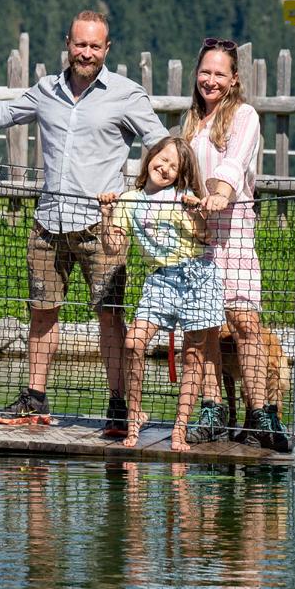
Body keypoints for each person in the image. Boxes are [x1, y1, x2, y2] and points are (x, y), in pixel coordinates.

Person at [0, 11, 168, 432]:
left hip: (102, 227)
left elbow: (163, 147)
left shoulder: (127, 95)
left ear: (107, 49)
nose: (86, 52)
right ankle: (34, 400)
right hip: (48, 225)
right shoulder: (45, 92)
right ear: (67, 45)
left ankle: (119, 405)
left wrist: (135, 199)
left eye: (94, 46)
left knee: (110, 316)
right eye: (79, 44)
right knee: (41, 312)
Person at [184, 37, 291, 451]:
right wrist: (189, 201)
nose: (210, 80)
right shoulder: (191, 122)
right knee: (205, 325)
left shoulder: (244, 116)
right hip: (199, 237)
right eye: (205, 72)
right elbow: (183, 171)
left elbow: (235, 162)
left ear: (233, 79)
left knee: (246, 323)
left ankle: (260, 412)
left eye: (219, 74)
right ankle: (213, 409)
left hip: (235, 233)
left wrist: (221, 193)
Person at [99, 135, 221, 450]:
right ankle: (135, 415)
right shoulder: (129, 200)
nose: (164, 168)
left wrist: (196, 212)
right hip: (160, 280)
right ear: (151, 156)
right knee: (133, 342)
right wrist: (106, 215)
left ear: (180, 175)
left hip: (196, 277)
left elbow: (206, 238)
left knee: (194, 354)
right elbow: (112, 246)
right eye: (161, 159)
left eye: (173, 166)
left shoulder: (184, 198)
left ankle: (180, 428)